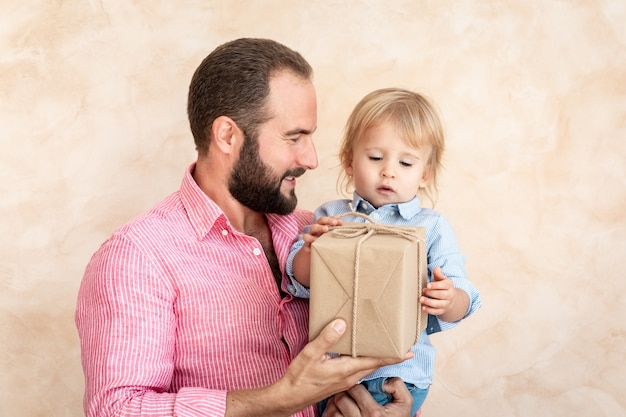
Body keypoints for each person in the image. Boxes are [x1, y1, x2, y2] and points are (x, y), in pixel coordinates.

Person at [75, 38, 419, 417]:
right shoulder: (137, 257)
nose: (312, 158)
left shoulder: (318, 231)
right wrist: (278, 398)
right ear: (227, 135)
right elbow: (116, 409)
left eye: (311, 136)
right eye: (294, 137)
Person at [286, 88, 482, 416]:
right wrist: (312, 249)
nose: (389, 170)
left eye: (406, 162)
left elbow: (463, 296)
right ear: (349, 161)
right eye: (376, 158)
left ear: (425, 174)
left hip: (395, 377)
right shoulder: (330, 215)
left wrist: (448, 299)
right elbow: (299, 278)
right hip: (330, 375)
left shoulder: (432, 227)